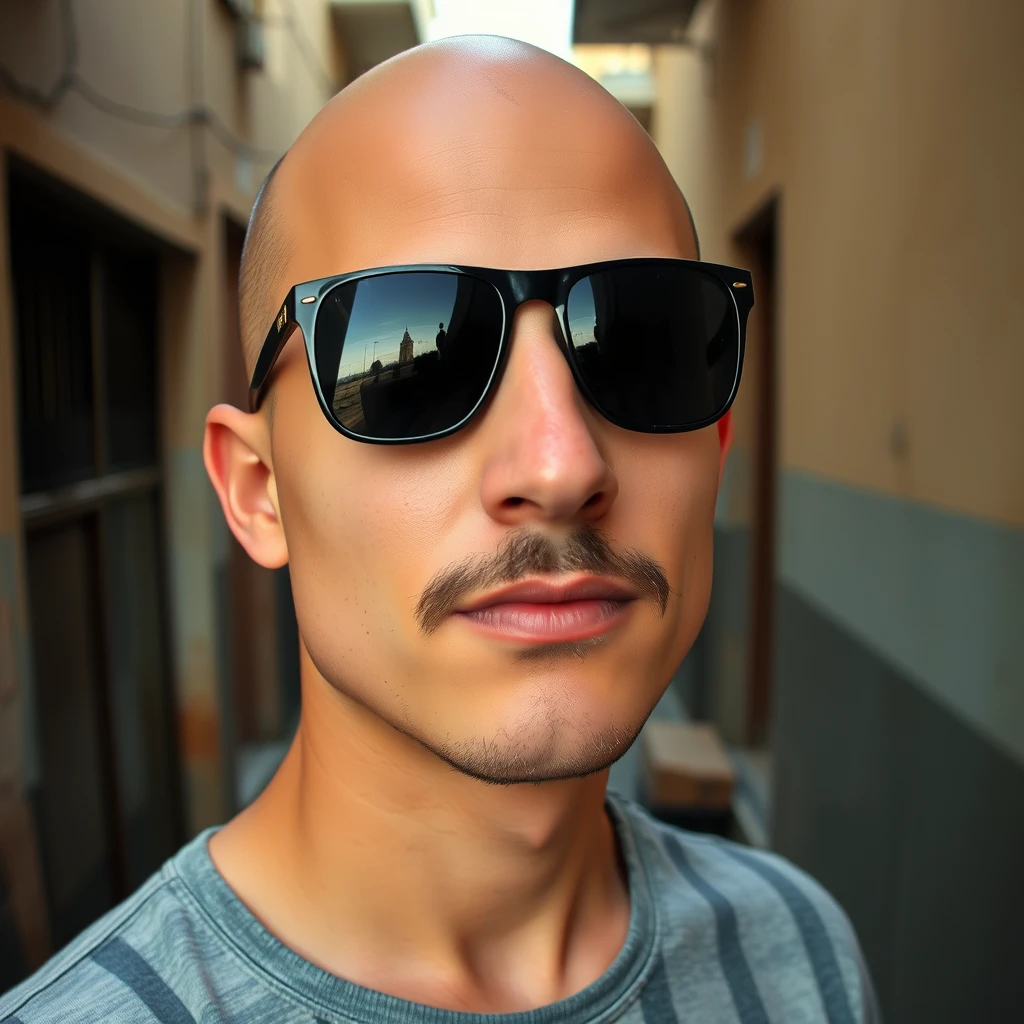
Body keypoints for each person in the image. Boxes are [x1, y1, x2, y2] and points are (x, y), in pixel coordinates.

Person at [0, 36, 879, 1024]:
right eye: (417, 357)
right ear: (258, 489)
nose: (561, 466)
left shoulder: (804, 958)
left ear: (715, 450)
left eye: (642, 344)